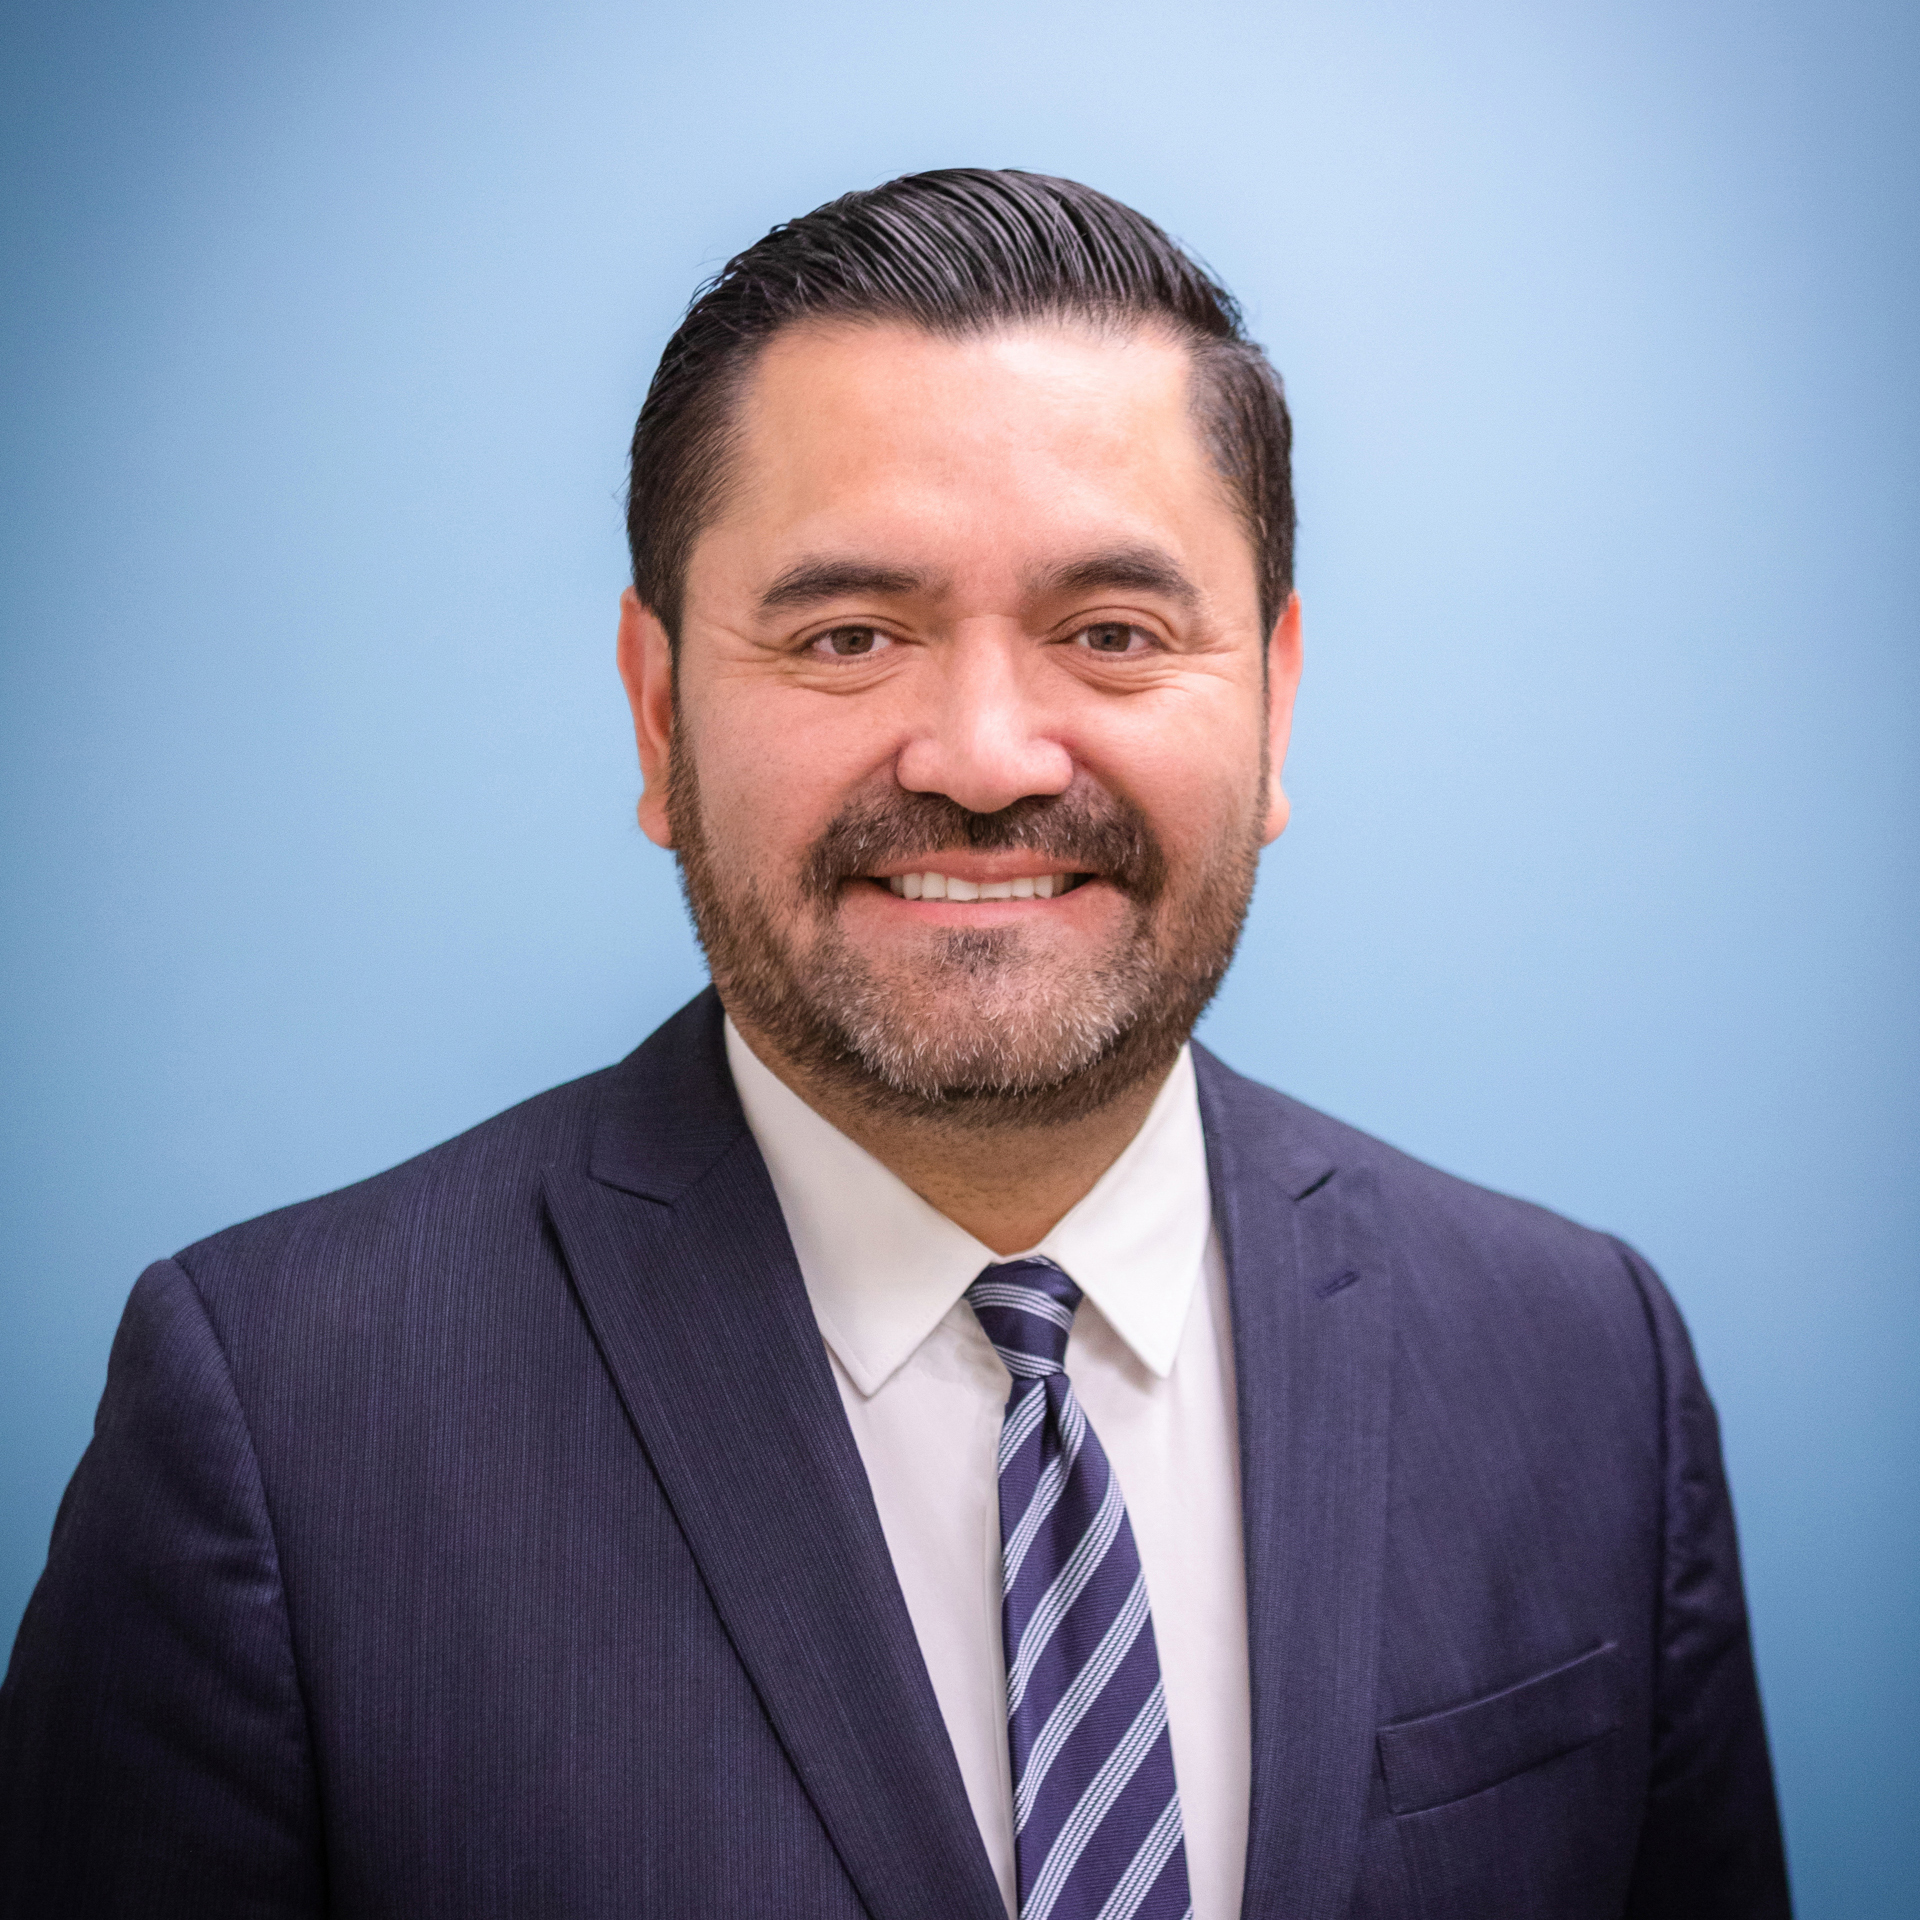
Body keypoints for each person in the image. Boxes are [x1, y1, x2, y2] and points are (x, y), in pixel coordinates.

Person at [0, 169, 1788, 1920]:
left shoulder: (1584, 1371)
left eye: (1113, 632)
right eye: (851, 635)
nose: (987, 757)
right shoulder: (277, 1419)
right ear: (659, 712)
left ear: (1275, 695)